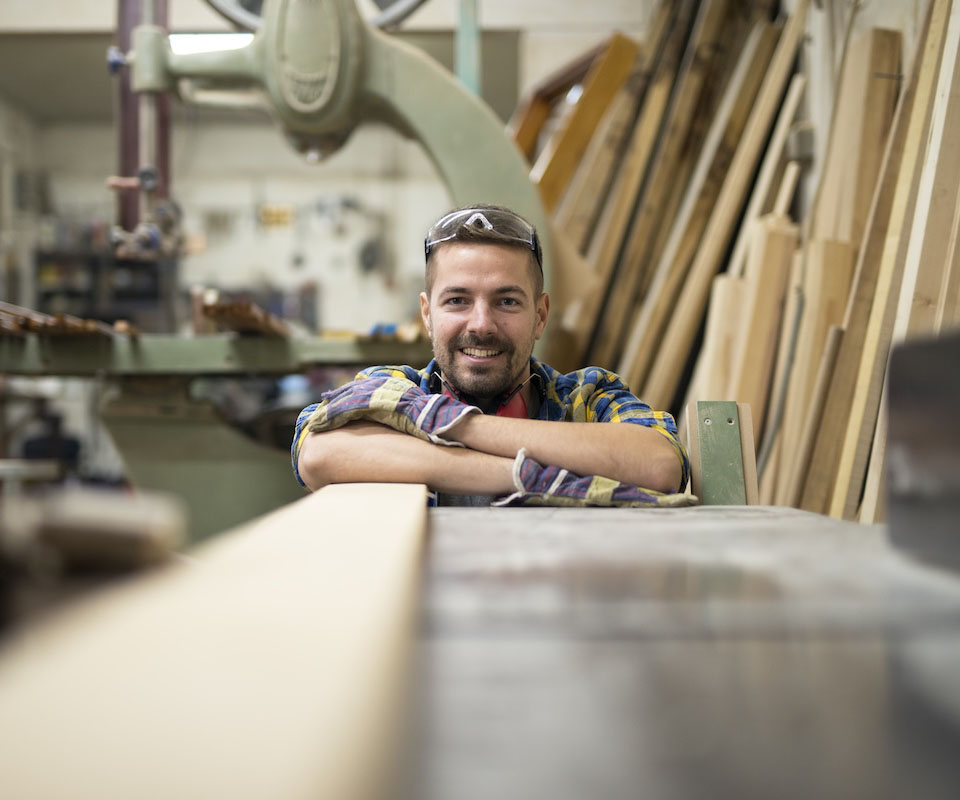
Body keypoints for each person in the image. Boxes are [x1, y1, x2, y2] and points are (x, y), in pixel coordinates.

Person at [292, 204, 689, 507]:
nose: (481, 324)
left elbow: (660, 464)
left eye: (507, 301)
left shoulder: (586, 399)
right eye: (458, 300)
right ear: (428, 315)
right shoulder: (396, 389)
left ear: (540, 316)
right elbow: (318, 453)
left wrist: (459, 427)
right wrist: (520, 474)